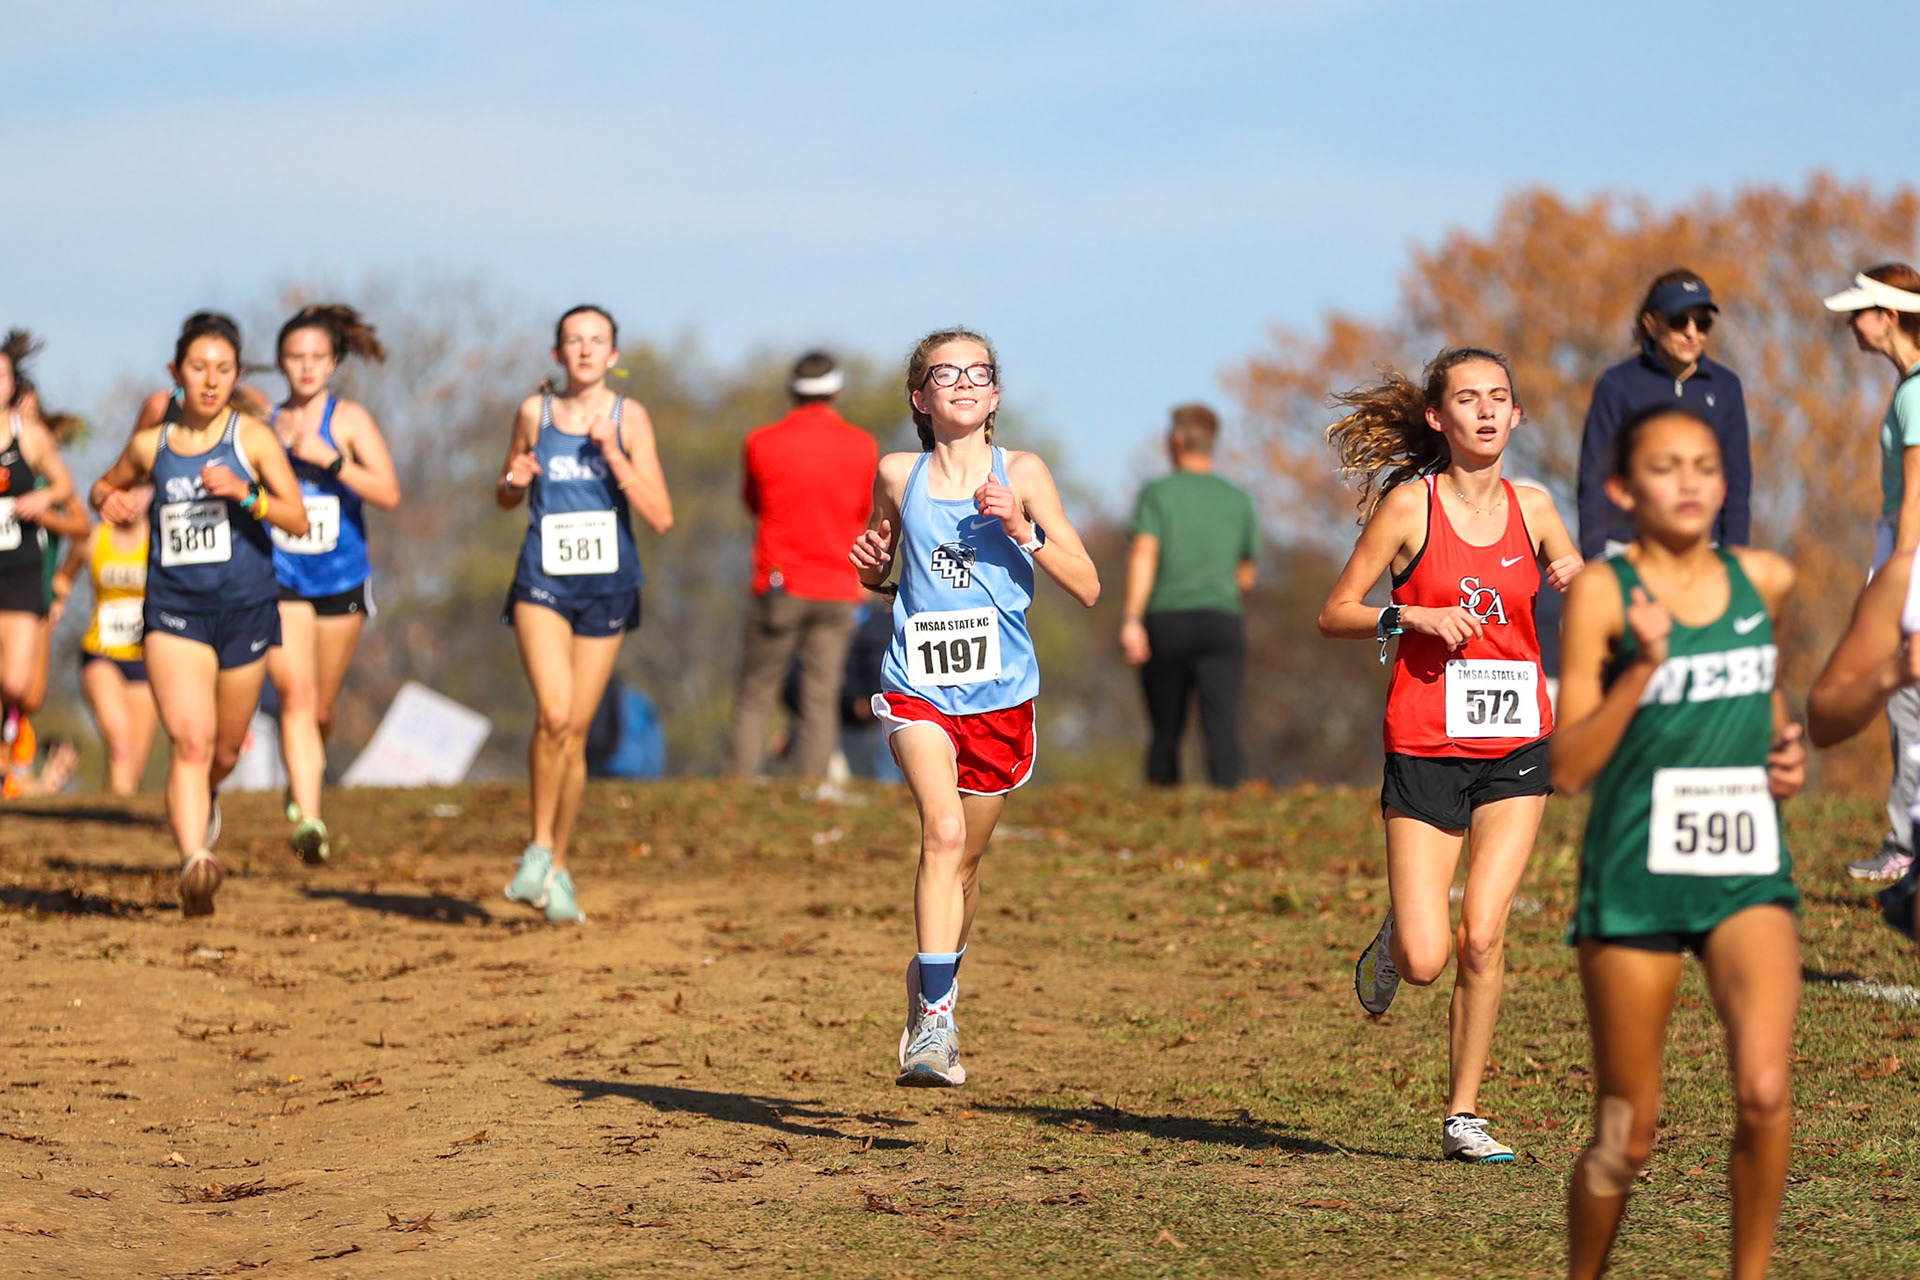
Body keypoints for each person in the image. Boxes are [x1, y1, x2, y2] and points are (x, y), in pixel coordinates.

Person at [1551, 404, 1804, 1280]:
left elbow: (1761, 691)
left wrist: (1786, 745)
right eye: (1666, 465)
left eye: (1704, 463)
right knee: (1628, 1129)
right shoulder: (1604, 594)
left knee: (1766, 1091)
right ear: (1623, 490)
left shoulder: (1765, 578)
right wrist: (1645, 671)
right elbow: (1571, 765)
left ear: (1725, 482)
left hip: (1745, 873)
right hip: (1635, 877)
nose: (1690, 480)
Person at [1316, 346, 1582, 1163]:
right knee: (1428, 958)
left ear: (1518, 415)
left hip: (1516, 745)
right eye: (1469, 399)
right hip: (1427, 744)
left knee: (1483, 935)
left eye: (1501, 397)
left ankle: (1464, 1113)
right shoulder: (1408, 508)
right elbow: (1336, 612)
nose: (1488, 411)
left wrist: (1573, 569)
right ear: (1439, 417)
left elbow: (1566, 565)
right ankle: (1402, 926)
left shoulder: (1534, 507)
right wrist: (1412, 618)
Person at [850, 327, 1100, 1088]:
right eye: (943, 373)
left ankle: (934, 980)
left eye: (978, 372)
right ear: (920, 398)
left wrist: (1023, 530)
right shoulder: (897, 472)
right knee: (943, 830)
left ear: (995, 395)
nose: (962, 382)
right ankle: (935, 1026)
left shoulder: (1022, 472)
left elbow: (1086, 583)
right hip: (916, 686)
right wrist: (871, 567)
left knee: (965, 868)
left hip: (1000, 699)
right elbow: (887, 560)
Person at [90, 313, 309, 915]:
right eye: (197, 368)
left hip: (245, 610)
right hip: (174, 611)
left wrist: (247, 494)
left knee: (225, 750)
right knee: (189, 740)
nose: (209, 381)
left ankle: (205, 799)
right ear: (175, 373)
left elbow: (297, 517)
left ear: (236, 375)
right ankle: (195, 861)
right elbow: (102, 487)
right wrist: (107, 499)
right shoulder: (150, 444)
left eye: (223, 369)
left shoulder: (254, 439)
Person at [497, 305, 672, 924]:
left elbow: (660, 516)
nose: (586, 350)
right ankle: (539, 848)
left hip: (608, 588)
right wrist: (515, 481)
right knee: (554, 713)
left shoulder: (631, 418)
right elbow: (505, 492)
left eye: (598, 341)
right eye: (574, 340)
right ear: (558, 354)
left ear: (613, 356)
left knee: (574, 734)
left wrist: (613, 454)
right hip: (542, 582)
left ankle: (557, 865)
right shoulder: (533, 413)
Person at [265, 304, 401, 864]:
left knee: (320, 708)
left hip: (341, 577)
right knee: (294, 695)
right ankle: (311, 817)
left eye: (317, 357)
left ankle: (303, 779)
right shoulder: (264, 422)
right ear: (280, 362)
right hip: (280, 575)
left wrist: (334, 463)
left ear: (335, 361)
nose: (306, 368)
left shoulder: (349, 421)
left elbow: (389, 492)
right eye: (295, 357)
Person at [726, 351, 879, 780]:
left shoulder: (762, 442)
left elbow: (753, 502)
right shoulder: (862, 446)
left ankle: (737, 783)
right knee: (820, 696)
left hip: (780, 583)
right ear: (838, 391)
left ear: (792, 390)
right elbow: (864, 510)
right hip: (837, 588)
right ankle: (811, 787)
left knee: (757, 692)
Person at [1819, 264, 1920, 882]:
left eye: (1859, 312)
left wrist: (1899, 572)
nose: (1850, 324)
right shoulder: (1909, 386)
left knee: (1904, 692)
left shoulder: (1915, 392)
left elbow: (1916, 495)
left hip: (1908, 551)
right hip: (1902, 547)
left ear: (1887, 316)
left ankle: (1908, 841)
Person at [1120, 402, 1259, 787]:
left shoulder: (1157, 494)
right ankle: (1230, 809)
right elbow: (1246, 574)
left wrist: (1132, 619)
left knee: (1166, 727)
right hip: (1221, 621)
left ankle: (1164, 809)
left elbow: (1144, 554)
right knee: (1222, 726)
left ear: (1176, 441)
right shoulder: (1238, 498)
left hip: (1167, 620)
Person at [1576, 270, 1752, 559]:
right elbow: (1594, 479)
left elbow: (1737, 483)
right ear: (1651, 323)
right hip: (1628, 549)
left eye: (1703, 323)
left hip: (1705, 551)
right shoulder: (1617, 383)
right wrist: (1594, 558)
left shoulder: (1726, 386)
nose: (1691, 333)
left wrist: (1735, 561)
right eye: (1679, 320)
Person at [0, 330, 77, 767]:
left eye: (2, 376)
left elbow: (66, 487)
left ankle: (12, 737)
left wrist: (42, 499)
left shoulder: (27, 436)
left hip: (23, 572)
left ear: (13, 384)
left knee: (14, 684)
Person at [55, 485, 157, 795]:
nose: (134, 499)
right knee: (120, 740)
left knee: (132, 764)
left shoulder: (161, 539)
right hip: (101, 653)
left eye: (141, 490)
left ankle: (111, 824)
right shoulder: (95, 537)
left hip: (147, 659)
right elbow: (62, 578)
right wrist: (56, 602)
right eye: (126, 490)